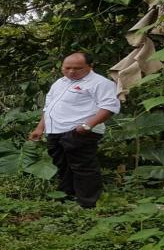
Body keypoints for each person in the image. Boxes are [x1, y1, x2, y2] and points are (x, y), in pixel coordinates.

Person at [29, 52, 120, 208]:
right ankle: (67, 197)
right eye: (67, 67)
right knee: (63, 165)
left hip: (80, 131)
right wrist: (40, 127)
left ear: (90, 67)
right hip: (55, 131)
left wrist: (86, 127)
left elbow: (109, 107)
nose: (71, 71)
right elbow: (48, 107)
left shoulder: (100, 83)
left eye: (77, 68)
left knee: (83, 166)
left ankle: (87, 203)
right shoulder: (60, 82)